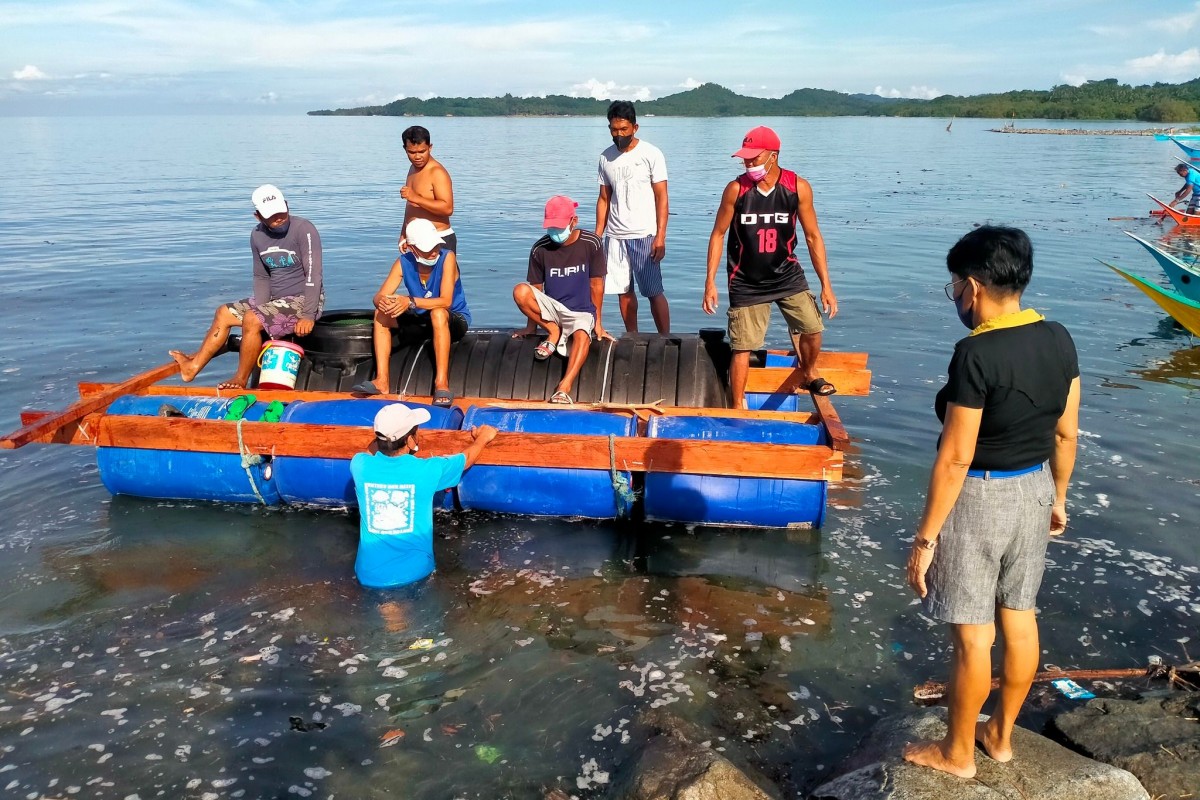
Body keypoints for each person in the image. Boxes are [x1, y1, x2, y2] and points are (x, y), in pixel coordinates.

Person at [903, 226, 1080, 779]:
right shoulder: (1058, 337)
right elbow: (1067, 433)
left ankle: (958, 754)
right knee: (1019, 617)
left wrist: (925, 540)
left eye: (955, 285)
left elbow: (955, 458)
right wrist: (1059, 498)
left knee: (973, 637)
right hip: (1034, 489)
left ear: (973, 287)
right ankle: (1000, 738)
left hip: (979, 496)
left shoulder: (975, 354)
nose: (955, 295)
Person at [702, 126, 838, 409]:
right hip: (746, 280)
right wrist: (710, 282)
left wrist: (826, 285)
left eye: (754, 157)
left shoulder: (797, 187)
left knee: (812, 328)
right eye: (745, 158)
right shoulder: (736, 189)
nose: (748, 163)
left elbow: (813, 236)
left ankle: (809, 372)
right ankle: (737, 406)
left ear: (773, 156)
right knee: (742, 346)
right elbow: (717, 234)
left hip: (787, 274)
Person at [170, 184, 323, 389]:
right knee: (223, 312)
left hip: (303, 299)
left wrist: (307, 314)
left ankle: (240, 379)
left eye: (281, 211)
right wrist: (261, 308)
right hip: (275, 299)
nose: (279, 217)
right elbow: (261, 276)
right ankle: (192, 368)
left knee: (252, 318)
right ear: (258, 216)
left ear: (286, 205)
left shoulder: (304, 229)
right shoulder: (257, 236)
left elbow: (314, 273)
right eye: (271, 215)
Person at [350, 403, 497, 589]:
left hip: (368, 575)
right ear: (411, 440)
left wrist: (385, 438)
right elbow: (466, 458)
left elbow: (370, 450)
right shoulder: (428, 470)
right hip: (414, 575)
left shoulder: (359, 465)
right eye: (416, 432)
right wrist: (482, 438)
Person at [354, 219, 471, 405]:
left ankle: (441, 382)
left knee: (438, 312)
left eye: (436, 246)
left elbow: (446, 301)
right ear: (411, 247)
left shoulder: (447, 258)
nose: (434, 251)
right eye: (427, 248)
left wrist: (409, 301)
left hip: (451, 319)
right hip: (421, 318)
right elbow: (378, 297)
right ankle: (382, 380)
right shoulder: (403, 263)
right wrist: (386, 303)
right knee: (380, 314)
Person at [512, 195, 610, 404]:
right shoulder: (540, 249)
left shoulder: (591, 243)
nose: (555, 232)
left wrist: (598, 323)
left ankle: (564, 387)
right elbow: (535, 289)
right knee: (520, 290)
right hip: (553, 309)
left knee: (583, 335)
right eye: (551, 227)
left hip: (581, 311)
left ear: (574, 221)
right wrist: (531, 326)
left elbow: (596, 285)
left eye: (559, 226)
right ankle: (553, 332)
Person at [596, 100, 670, 334]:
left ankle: (666, 338)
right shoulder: (605, 158)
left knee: (653, 291)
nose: (619, 135)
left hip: (644, 235)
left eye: (624, 130)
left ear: (635, 128)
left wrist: (660, 236)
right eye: (614, 130)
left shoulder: (651, 154)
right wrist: (598, 235)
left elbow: (662, 197)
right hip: (615, 237)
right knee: (623, 291)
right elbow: (604, 199)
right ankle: (632, 337)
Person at [398, 126, 456, 253]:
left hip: (438, 239)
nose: (417, 157)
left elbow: (447, 208)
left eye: (422, 151)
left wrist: (415, 197)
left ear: (430, 147)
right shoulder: (412, 169)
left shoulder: (437, 172)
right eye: (412, 152)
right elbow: (411, 205)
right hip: (415, 241)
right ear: (405, 149)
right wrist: (403, 234)